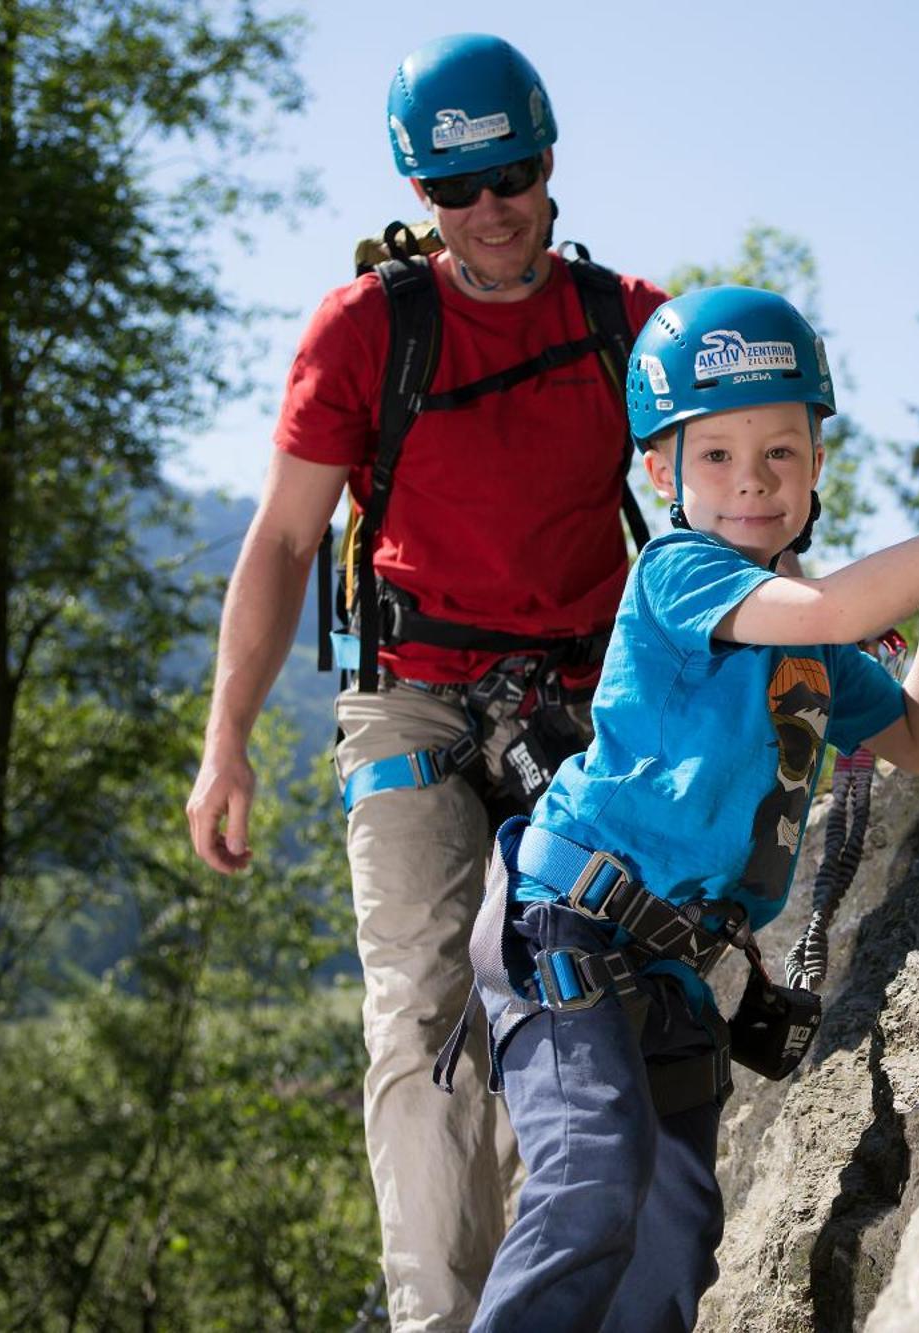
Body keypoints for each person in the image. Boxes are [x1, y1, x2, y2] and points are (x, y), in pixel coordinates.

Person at [453, 285, 919, 1329]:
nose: (751, 481)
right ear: (661, 473)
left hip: (668, 966)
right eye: (715, 456)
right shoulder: (676, 574)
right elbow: (836, 602)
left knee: (671, 1241)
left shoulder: (817, 658)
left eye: (781, 452)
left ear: (817, 463)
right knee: (590, 1183)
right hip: (563, 929)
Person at [183, 33, 668, 1331]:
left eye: (510, 174)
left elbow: (732, 509)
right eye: (459, 191)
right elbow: (284, 540)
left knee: (573, 986)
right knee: (422, 1008)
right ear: (421, 197)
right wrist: (224, 740)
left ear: (548, 158)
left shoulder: (627, 326)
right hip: (407, 694)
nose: (492, 210)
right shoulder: (367, 333)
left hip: (581, 697)